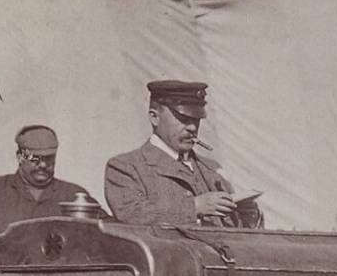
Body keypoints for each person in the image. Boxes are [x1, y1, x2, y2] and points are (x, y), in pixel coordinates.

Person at [104, 80, 263, 228]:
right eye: (183, 118)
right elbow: (132, 214)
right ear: (154, 117)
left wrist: (249, 214)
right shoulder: (125, 167)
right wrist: (194, 207)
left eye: (196, 120)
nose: (192, 128)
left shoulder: (212, 169)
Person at [0, 125, 89, 236]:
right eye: (35, 159)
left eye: (48, 158)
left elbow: (104, 233)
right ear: (20, 157)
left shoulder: (75, 196)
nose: (42, 165)